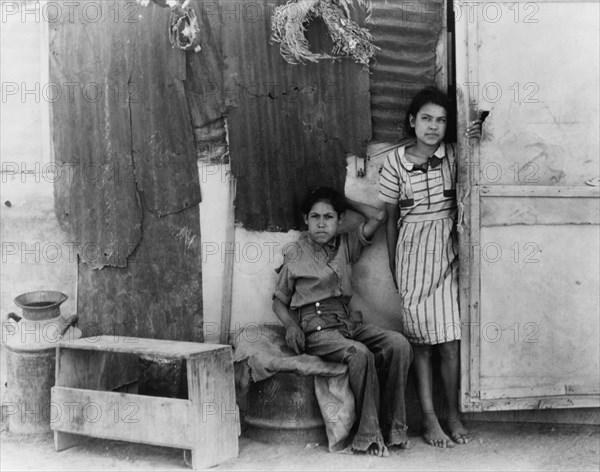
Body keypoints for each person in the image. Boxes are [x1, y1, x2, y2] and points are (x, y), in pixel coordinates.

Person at [272, 187, 413, 457]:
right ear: (306, 220)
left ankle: (394, 428)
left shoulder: (346, 244)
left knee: (399, 344)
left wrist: (342, 199)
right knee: (358, 354)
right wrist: (291, 325)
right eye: (315, 217)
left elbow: (379, 216)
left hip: (348, 322)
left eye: (329, 216)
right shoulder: (295, 255)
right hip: (318, 329)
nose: (322, 223)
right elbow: (279, 301)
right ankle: (368, 435)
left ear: (339, 220)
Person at [378, 87, 482, 448]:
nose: (433, 126)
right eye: (426, 118)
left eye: (440, 120)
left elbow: (477, 160)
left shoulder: (454, 155)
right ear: (412, 121)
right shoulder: (393, 163)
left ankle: (453, 415)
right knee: (421, 344)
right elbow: (391, 220)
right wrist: (394, 266)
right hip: (412, 257)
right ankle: (429, 420)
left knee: (450, 342)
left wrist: (474, 137)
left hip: (449, 252)